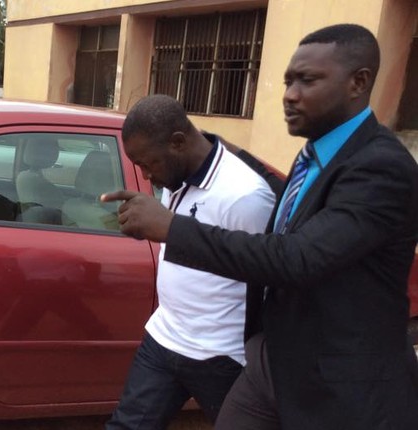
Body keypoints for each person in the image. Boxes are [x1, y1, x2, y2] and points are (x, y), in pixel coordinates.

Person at [102, 23, 418, 430]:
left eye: (308, 80)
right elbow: (290, 197)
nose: (289, 93)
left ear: (358, 82)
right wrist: (220, 151)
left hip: (338, 374)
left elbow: (299, 257)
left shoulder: (381, 167)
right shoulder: (318, 156)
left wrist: (173, 228)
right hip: (274, 357)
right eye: (288, 80)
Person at [105, 95, 275, 430]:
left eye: (148, 164)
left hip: (221, 355)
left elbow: (267, 277)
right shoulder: (176, 176)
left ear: (178, 142)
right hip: (165, 336)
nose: (145, 175)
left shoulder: (246, 197)